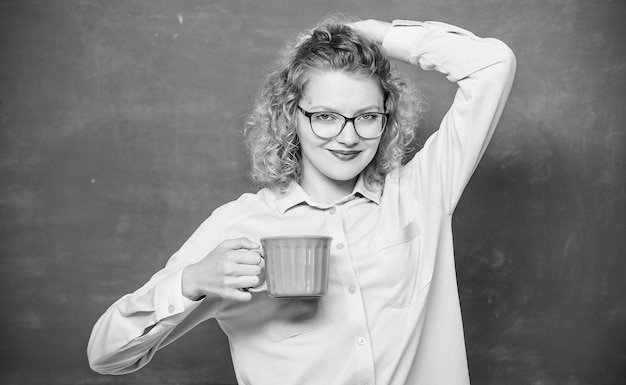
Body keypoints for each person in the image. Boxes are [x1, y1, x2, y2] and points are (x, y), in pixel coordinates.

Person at [88, 15, 516, 385]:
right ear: (290, 113)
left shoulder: (420, 195)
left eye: (367, 117)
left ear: (388, 117)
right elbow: (106, 354)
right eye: (325, 116)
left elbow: (493, 66)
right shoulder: (237, 226)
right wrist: (190, 282)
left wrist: (368, 34)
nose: (348, 137)